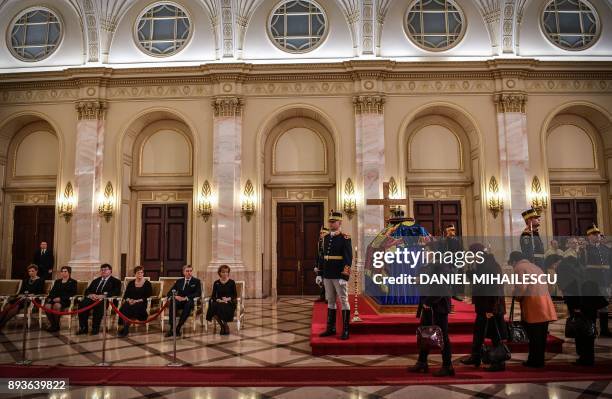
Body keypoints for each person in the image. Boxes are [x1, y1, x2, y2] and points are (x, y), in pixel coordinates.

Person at [461, 245, 507, 371]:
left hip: (491, 307)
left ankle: (499, 362)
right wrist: (471, 273)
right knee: (479, 332)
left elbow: (493, 287)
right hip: (484, 306)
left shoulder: (489, 265)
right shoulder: (482, 264)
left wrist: (490, 309)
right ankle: (476, 357)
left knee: (495, 334)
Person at [508, 251, 557, 368]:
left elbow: (521, 287)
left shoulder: (519, 268)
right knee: (541, 336)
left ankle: (534, 361)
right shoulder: (535, 266)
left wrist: (515, 294)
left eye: (512, 263)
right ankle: (539, 360)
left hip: (534, 306)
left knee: (534, 337)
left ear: (514, 261)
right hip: (545, 305)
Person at [558, 254, 608, 366]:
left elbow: (572, 291)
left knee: (581, 331)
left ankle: (585, 358)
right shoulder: (583, 271)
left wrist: (576, 307)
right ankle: (587, 357)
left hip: (580, 307)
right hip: (590, 306)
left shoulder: (571, 276)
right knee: (589, 330)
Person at [409, 254, 455, 377]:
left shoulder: (442, 265)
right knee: (424, 333)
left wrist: (429, 301)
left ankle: (447, 365)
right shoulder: (429, 265)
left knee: (442, 336)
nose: (424, 253)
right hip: (429, 305)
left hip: (438, 306)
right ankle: (422, 362)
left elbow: (441, 287)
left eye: (427, 250)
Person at [317, 211, 352, 340]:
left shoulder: (345, 238)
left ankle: (346, 330)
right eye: (330, 222)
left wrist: (345, 276)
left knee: (344, 301)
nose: (331, 224)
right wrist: (320, 274)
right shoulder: (325, 238)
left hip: (338, 275)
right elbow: (322, 257)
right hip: (327, 275)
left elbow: (348, 258)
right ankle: (330, 328)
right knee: (330, 301)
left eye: (333, 222)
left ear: (340, 222)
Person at [579, 224, 611, 337]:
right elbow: (581, 266)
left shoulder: (606, 249)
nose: (597, 235)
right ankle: (591, 328)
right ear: (589, 237)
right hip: (591, 282)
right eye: (594, 234)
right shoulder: (585, 250)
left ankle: (604, 330)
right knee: (591, 307)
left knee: (604, 305)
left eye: (598, 233)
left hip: (604, 281)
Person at [77, 264, 122, 335]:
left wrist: (103, 296)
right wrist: (91, 294)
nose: (103, 271)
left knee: (99, 306)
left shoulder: (116, 281)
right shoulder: (96, 280)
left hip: (105, 300)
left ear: (110, 271)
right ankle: (83, 328)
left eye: (105, 270)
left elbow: (116, 292)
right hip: (93, 298)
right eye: (102, 270)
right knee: (82, 304)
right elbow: (87, 290)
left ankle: (95, 329)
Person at [0, 265, 45, 330]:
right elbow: (21, 291)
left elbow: (40, 291)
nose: (31, 273)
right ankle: (1, 323)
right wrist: (21, 295)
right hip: (22, 297)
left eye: (32, 271)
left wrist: (31, 295)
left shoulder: (41, 280)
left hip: (32, 299)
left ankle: (2, 324)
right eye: (29, 271)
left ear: (36, 271)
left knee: (15, 307)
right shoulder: (26, 280)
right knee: (8, 305)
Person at [165, 265, 202, 337]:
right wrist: (175, 296)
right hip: (180, 300)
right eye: (187, 271)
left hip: (189, 300)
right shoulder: (179, 281)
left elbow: (198, 293)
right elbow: (169, 292)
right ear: (183, 272)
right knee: (173, 303)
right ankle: (172, 328)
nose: (189, 273)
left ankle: (178, 327)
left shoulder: (196, 281)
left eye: (190, 271)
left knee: (188, 304)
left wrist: (186, 298)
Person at [117, 266, 152, 338]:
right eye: (138, 273)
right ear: (135, 274)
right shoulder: (131, 283)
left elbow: (148, 296)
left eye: (141, 272)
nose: (140, 274)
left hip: (141, 303)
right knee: (125, 307)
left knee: (134, 307)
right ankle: (125, 327)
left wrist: (137, 301)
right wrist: (129, 300)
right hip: (131, 301)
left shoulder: (147, 283)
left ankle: (125, 328)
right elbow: (126, 295)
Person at [206, 264, 237, 335]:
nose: (225, 274)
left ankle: (225, 325)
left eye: (226, 272)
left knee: (222, 306)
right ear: (219, 273)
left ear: (228, 273)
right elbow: (213, 296)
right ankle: (223, 326)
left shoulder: (232, 282)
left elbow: (234, 295)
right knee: (213, 306)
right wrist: (218, 300)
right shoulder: (216, 283)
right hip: (219, 301)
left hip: (229, 302)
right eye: (223, 272)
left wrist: (228, 299)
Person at [44, 266, 77, 333]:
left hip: (66, 300)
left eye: (65, 271)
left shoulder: (73, 282)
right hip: (55, 300)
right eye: (62, 271)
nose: (63, 273)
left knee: (57, 305)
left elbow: (72, 294)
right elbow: (52, 292)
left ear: (69, 273)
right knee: (47, 306)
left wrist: (60, 298)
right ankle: (54, 325)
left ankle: (55, 325)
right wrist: (53, 299)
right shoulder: (57, 281)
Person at [314, 227, 329, 302]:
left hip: (327, 265)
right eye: (320, 233)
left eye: (323, 233)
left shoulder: (329, 242)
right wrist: (316, 265)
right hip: (321, 264)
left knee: (327, 282)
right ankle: (322, 296)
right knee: (321, 282)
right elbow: (318, 255)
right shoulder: (319, 242)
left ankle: (327, 297)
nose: (321, 234)